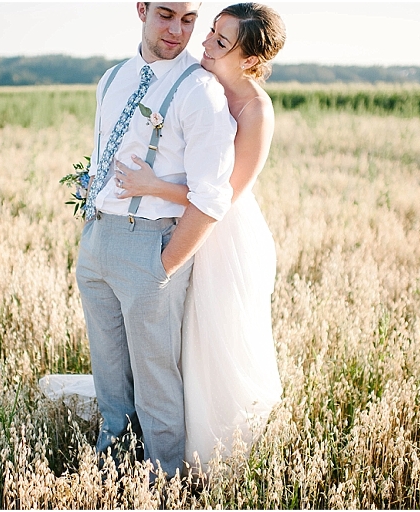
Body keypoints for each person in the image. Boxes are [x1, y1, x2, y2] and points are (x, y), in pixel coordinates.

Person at [114, 2, 287, 471]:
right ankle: (169, 443)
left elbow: (227, 197)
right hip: (183, 221)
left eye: (221, 42)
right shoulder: (199, 82)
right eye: (211, 32)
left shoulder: (255, 109)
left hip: (224, 237)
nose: (205, 42)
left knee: (215, 343)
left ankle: (218, 459)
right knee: (178, 341)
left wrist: (154, 186)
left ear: (250, 59)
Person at [75, 2, 237, 480]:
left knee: (156, 379)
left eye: (188, 20)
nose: (177, 30)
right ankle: (113, 468)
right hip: (97, 240)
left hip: (152, 245)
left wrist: (164, 264)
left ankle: (164, 483)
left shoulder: (201, 90)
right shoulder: (111, 78)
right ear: (141, 9)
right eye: (166, 15)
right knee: (109, 372)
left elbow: (211, 197)